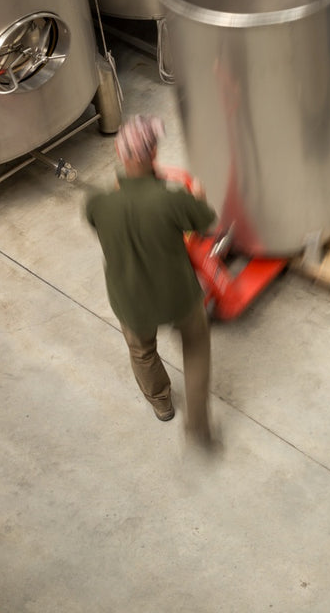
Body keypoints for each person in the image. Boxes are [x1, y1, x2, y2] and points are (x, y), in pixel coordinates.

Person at [85, 114, 217, 444]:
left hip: (130, 300)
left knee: (142, 352)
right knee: (197, 347)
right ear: (154, 154)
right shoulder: (173, 201)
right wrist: (198, 196)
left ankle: (162, 404)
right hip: (177, 296)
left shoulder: (99, 204)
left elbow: (101, 221)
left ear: (119, 152)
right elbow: (206, 224)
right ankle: (198, 424)